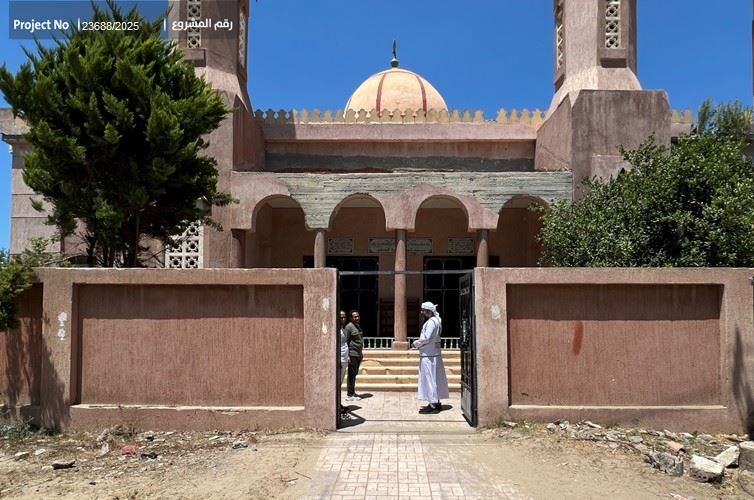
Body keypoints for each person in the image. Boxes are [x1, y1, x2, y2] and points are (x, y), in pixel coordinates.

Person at [413, 301, 449, 414]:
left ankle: (433, 404)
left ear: (429, 311)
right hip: (433, 354)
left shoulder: (431, 322)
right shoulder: (436, 320)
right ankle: (435, 402)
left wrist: (416, 344)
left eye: (424, 311)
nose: (422, 313)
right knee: (434, 379)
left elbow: (426, 338)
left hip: (429, 355)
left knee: (429, 379)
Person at [344, 309, 364, 401]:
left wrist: (360, 353)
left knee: (354, 373)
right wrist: (347, 355)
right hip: (352, 354)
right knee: (351, 374)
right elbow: (346, 341)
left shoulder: (357, 326)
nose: (357, 318)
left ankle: (352, 392)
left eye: (358, 316)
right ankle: (350, 394)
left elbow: (359, 340)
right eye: (355, 317)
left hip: (357, 354)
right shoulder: (349, 327)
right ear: (351, 318)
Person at [338, 310, 350, 413]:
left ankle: (338, 403)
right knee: (337, 383)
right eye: (341, 317)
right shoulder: (336, 330)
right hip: (340, 360)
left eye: (344, 317)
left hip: (344, 359)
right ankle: (337, 405)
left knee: (340, 383)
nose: (343, 319)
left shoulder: (343, 329)